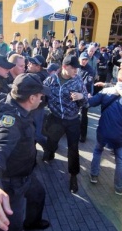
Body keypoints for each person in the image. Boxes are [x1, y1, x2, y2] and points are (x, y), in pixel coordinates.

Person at [0, 73, 50, 231]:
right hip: (11, 184)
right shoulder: (8, 123)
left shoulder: (12, 99)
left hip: (26, 174)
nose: (43, 99)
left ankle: (32, 223)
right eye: (40, 96)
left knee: (38, 195)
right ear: (31, 98)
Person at [43, 55, 88, 193]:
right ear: (64, 67)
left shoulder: (78, 81)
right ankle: (50, 153)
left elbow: (86, 101)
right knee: (51, 141)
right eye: (73, 68)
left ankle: (73, 176)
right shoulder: (50, 80)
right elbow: (42, 97)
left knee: (73, 149)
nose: (76, 71)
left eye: (77, 68)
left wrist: (81, 97)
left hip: (73, 120)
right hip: (56, 118)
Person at [77, 52, 95, 143]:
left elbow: (88, 83)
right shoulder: (76, 67)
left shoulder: (90, 70)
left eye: (86, 60)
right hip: (74, 92)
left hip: (84, 94)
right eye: (83, 59)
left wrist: (85, 94)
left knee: (83, 115)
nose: (84, 61)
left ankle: (83, 135)